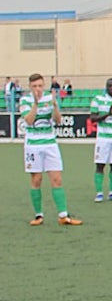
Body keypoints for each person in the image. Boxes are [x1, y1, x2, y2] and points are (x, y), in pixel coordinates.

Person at [20, 73, 83, 226]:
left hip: (50, 144)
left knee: (56, 179)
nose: (38, 89)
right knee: (36, 179)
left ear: (44, 86)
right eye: (34, 86)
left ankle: (63, 216)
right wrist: (35, 104)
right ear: (30, 87)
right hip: (33, 145)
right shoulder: (25, 100)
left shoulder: (50, 99)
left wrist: (55, 106)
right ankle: (38, 215)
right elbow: (28, 120)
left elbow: (58, 120)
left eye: (40, 86)